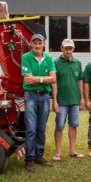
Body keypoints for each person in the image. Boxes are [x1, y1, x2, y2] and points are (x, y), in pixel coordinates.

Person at [21, 33, 56, 172]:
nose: (37, 45)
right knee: (31, 129)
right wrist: (45, 78)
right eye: (34, 42)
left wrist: (38, 79)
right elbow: (27, 79)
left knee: (41, 128)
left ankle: (39, 155)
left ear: (44, 44)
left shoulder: (49, 58)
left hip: (44, 97)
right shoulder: (26, 57)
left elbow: (53, 79)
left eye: (39, 42)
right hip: (30, 96)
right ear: (31, 44)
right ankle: (29, 159)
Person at [51, 39, 85, 161]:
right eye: (66, 48)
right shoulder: (55, 63)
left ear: (73, 49)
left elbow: (80, 80)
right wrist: (54, 100)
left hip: (75, 100)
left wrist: (82, 98)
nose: (68, 51)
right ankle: (58, 152)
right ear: (61, 48)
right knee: (59, 126)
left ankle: (72, 150)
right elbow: (54, 83)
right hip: (61, 101)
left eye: (70, 48)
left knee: (73, 125)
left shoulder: (78, 63)